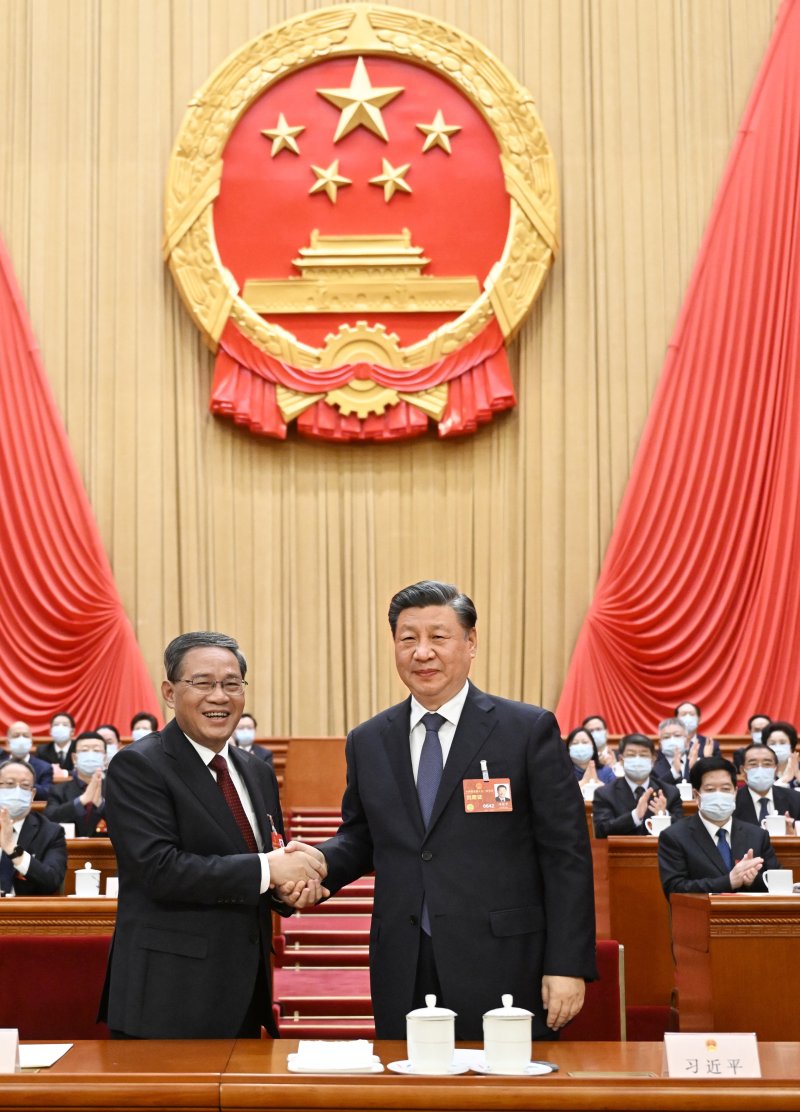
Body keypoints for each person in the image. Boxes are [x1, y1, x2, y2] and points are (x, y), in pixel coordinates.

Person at [316, 581, 597, 1042]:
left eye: (438, 637)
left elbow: (565, 854)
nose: (422, 652)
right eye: (408, 638)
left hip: (504, 960)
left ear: (471, 643)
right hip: (404, 961)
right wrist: (316, 867)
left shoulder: (525, 730)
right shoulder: (368, 740)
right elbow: (362, 838)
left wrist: (567, 964)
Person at [98, 631, 327, 1039]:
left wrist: (287, 888)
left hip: (243, 993)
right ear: (170, 692)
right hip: (169, 998)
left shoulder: (255, 770)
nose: (219, 696)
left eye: (231, 684)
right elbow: (159, 870)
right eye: (202, 683)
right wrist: (270, 871)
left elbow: (264, 856)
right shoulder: (139, 766)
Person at [657, 756, 781, 897]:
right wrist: (728, 882)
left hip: (749, 917)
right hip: (700, 917)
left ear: (735, 792)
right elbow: (674, 889)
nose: (719, 795)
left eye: (725, 789)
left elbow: (775, 883)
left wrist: (750, 881)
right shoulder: (674, 836)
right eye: (710, 790)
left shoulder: (757, 835)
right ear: (696, 795)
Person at [592, 733, 683, 838]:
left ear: (653, 760)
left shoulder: (670, 792)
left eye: (643, 755)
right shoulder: (604, 794)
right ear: (621, 760)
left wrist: (664, 815)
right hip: (621, 852)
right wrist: (635, 816)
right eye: (631, 755)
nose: (637, 760)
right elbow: (601, 831)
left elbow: (682, 831)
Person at [0, 758, 67, 895]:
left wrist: (13, 850)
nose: (17, 791)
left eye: (24, 786)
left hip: (24, 913)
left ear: (32, 794)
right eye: (9, 784)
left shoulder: (51, 832)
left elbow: (52, 880)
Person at [44, 732, 110, 836]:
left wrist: (101, 805)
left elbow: (126, 820)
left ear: (105, 759)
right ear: (74, 758)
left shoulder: (116, 788)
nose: (90, 754)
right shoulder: (58, 790)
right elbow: (49, 817)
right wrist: (81, 800)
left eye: (96, 750)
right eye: (84, 750)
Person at [735, 744, 800, 830]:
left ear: (776, 769)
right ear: (742, 770)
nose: (760, 768)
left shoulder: (796, 799)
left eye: (767, 764)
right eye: (753, 764)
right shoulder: (734, 801)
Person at [1, 721, 53, 800]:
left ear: (31, 742)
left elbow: (47, 794)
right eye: (16, 736)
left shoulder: (44, 767)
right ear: (8, 743)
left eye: (25, 736)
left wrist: (25, 784)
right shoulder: (1, 766)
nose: (21, 739)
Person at [36, 712, 77, 779]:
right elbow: (40, 772)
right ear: (50, 731)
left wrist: (65, 773)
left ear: (72, 731)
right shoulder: (42, 750)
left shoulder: (78, 748)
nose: (60, 727)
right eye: (56, 725)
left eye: (65, 725)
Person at [763, 721, 799, 788]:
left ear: (791, 746)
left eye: (782, 743)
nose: (778, 747)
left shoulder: (798, 767)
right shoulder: (761, 770)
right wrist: (784, 780)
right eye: (772, 744)